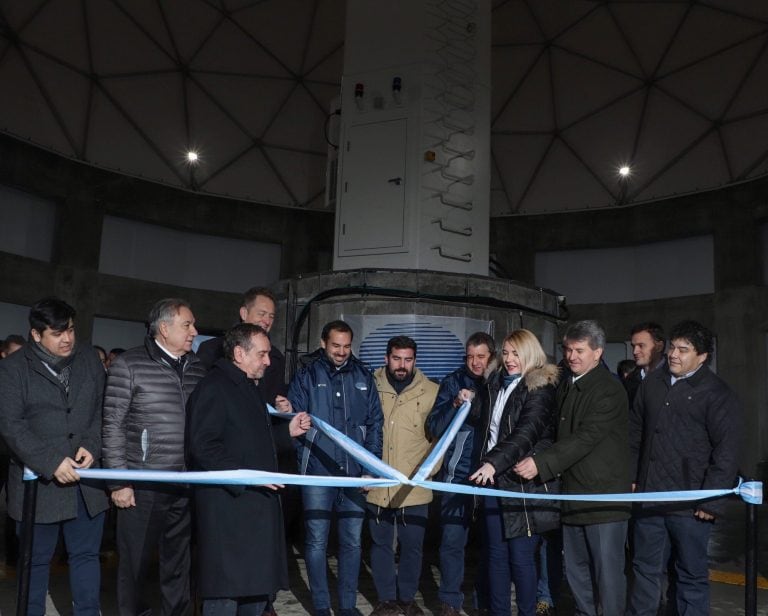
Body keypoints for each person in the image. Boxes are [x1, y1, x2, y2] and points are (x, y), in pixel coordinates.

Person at [186, 323, 311, 616]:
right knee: (225, 599)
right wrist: (249, 477)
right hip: (228, 515)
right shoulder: (213, 388)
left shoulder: (249, 389)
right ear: (239, 353)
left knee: (255, 597)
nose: (268, 362)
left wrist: (286, 433)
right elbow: (204, 446)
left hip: (254, 514)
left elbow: (250, 440)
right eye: (262, 354)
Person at [0, 298, 108, 615]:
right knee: (34, 564)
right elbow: (11, 425)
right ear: (36, 335)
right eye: (57, 333)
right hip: (38, 488)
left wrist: (92, 443)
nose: (67, 339)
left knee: (86, 557)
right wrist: (50, 462)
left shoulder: (89, 358)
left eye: (71, 330)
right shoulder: (13, 369)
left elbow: (103, 408)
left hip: (86, 485)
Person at [515, 320, 631, 616]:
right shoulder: (568, 383)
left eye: (580, 350)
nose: (572, 356)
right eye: (567, 350)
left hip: (603, 500)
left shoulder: (609, 390)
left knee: (607, 577)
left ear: (598, 353)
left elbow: (585, 438)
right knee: (578, 575)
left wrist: (541, 463)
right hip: (573, 497)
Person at [627, 320, 743, 615]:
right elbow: (634, 434)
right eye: (673, 348)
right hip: (650, 499)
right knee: (644, 571)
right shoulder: (652, 383)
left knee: (690, 575)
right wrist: (632, 478)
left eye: (684, 349)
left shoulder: (717, 393)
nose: (674, 355)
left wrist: (712, 500)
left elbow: (727, 451)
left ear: (702, 356)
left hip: (692, 505)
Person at [103, 298, 207, 616]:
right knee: (134, 563)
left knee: (178, 561)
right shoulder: (129, 365)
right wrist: (119, 482)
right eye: (187, 325)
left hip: (186, 481)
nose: (194, 331)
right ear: (164, 328)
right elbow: (113, 425)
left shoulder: (198, 367)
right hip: (143, 483)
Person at [287, 319, 383, 616]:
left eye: (346, 346)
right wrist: (304, 458)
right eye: (335, 346)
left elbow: (375, 425)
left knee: (352, 542)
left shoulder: (364, 376)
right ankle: (320, 605)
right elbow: (292, 422)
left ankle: (347, 605)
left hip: (355, 475)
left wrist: (370, 469)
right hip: (317, 474)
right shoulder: (306, 375)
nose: (341, 352)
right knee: (316, 541)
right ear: (323, 343)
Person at [469, 330, 560, 616]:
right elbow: (487, 426)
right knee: (496, 555)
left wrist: (493, 463)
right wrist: (467, 400)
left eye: (515, 353)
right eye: (506, 353)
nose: (509, 359)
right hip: (494, 481)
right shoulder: (494, 384)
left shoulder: (539, 388)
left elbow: (525, 434)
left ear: (530, 353)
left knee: (521, 557)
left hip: (523, 486)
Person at [367, 336, 439, 616]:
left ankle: (407, 600)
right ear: (387, 358)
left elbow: (439, 438)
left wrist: (427, 472)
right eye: (397, 358)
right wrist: (365, 472)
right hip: (377, 483)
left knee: (412, 547)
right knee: (381, 544)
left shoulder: (432, 391)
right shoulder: (370, 386)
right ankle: (386, 601)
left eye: (408, 359)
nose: (402, 365)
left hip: (415, 486)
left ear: (415, 361)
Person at [425, 332, 496, 616]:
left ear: (491, 356)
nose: (474, 363)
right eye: (469, 356)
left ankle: (483, 601)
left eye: (481, 356)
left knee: (491, 544)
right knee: (452, 542)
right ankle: (450, 602)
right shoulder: (453, 381)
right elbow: (433, 426)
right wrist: (454, 405)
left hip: (491, 477)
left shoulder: (500, 382)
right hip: (456, 477)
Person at [196, 286, 286, 406]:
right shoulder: (212, 349)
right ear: (244, 313)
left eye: (271, 316)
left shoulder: (276, 358)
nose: (267, 321)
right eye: (262, 314)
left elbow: (274, 401)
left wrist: (282, 409)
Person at [624, 322, 665, 406]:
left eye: (641, 345)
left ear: (659, 347)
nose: (635, 351)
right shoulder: (630, 380)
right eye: (633, 346)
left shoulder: (675, 377)